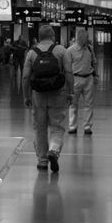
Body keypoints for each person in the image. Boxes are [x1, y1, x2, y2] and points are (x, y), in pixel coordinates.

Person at [22, 24, 73, 172]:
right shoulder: (61, 50)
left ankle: (42, 161)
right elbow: (69, 73)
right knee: (57, 126)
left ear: (38, 37)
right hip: (58, 93)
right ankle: (54, 150)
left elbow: (25, 77)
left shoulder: (32, 53)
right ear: (53, 36)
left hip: (38, 95)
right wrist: (70, 92)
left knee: (40, 128)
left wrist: (26, 96)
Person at [65, 27, 97, 135]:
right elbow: (67, 67)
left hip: (88, 78)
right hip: (75, 78)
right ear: (80, 38)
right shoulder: (70, 50)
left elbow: (94, 62)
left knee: (89, 104)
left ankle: (87, 127)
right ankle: (72, 126)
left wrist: (95, 75)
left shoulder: (90, 49)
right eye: (86, 37)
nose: (87, 39)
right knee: (73, 104)